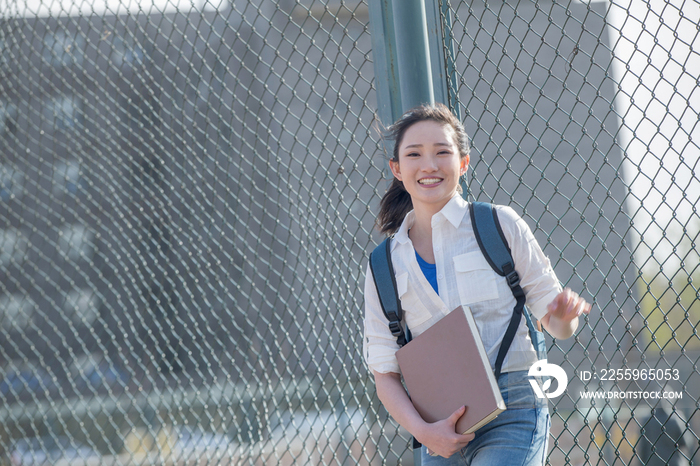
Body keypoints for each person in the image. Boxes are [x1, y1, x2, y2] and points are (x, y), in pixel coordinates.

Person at [363, 103, 592, 464]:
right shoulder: (383, 263)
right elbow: (385, 373)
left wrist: (563, 315)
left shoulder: (498, 225)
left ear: (463, 163)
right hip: (437, 427)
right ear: (397, 169)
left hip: (514, 409)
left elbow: (559, 326)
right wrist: (425, 434)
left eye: (442, 152)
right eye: (414, 154)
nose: (429, 165)